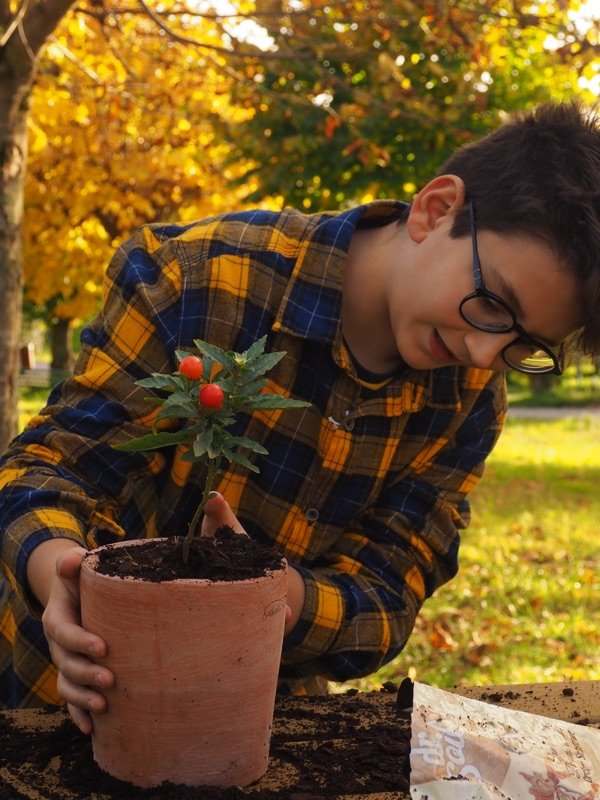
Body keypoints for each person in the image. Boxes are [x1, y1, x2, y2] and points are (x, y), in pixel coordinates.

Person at [1, 102, 598, 735]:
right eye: (492, 303)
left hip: (257, 725)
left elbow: (393, 583)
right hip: (60, 703)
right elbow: (52, 466)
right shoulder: (198, 279)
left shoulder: (472, 397)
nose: (485, 352)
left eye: (523, 346)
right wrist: (60, 573)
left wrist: (284, 599)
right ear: (436, 210)